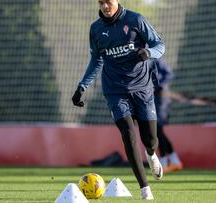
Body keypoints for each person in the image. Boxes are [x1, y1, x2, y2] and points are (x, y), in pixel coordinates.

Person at [71, 0, 165, 200]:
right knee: (128, 133)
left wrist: (149, 52)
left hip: (143, 88)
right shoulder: (96, 29)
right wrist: (82, 86)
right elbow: (96, 60)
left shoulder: (136, 20)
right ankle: (145, 188)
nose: (105, 6)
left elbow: (160, 45)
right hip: (115, 91)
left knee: (150, 139)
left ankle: (151, 153)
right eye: (101, 2)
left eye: (109, 1)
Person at [152, 58, 183, 173]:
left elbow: (168, 73)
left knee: (157, 130)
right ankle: (174, 162)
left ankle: (165, 163)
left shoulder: (155, 59)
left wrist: (159, 84)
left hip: (161, 98)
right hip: (152, 98)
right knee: (158, 132)